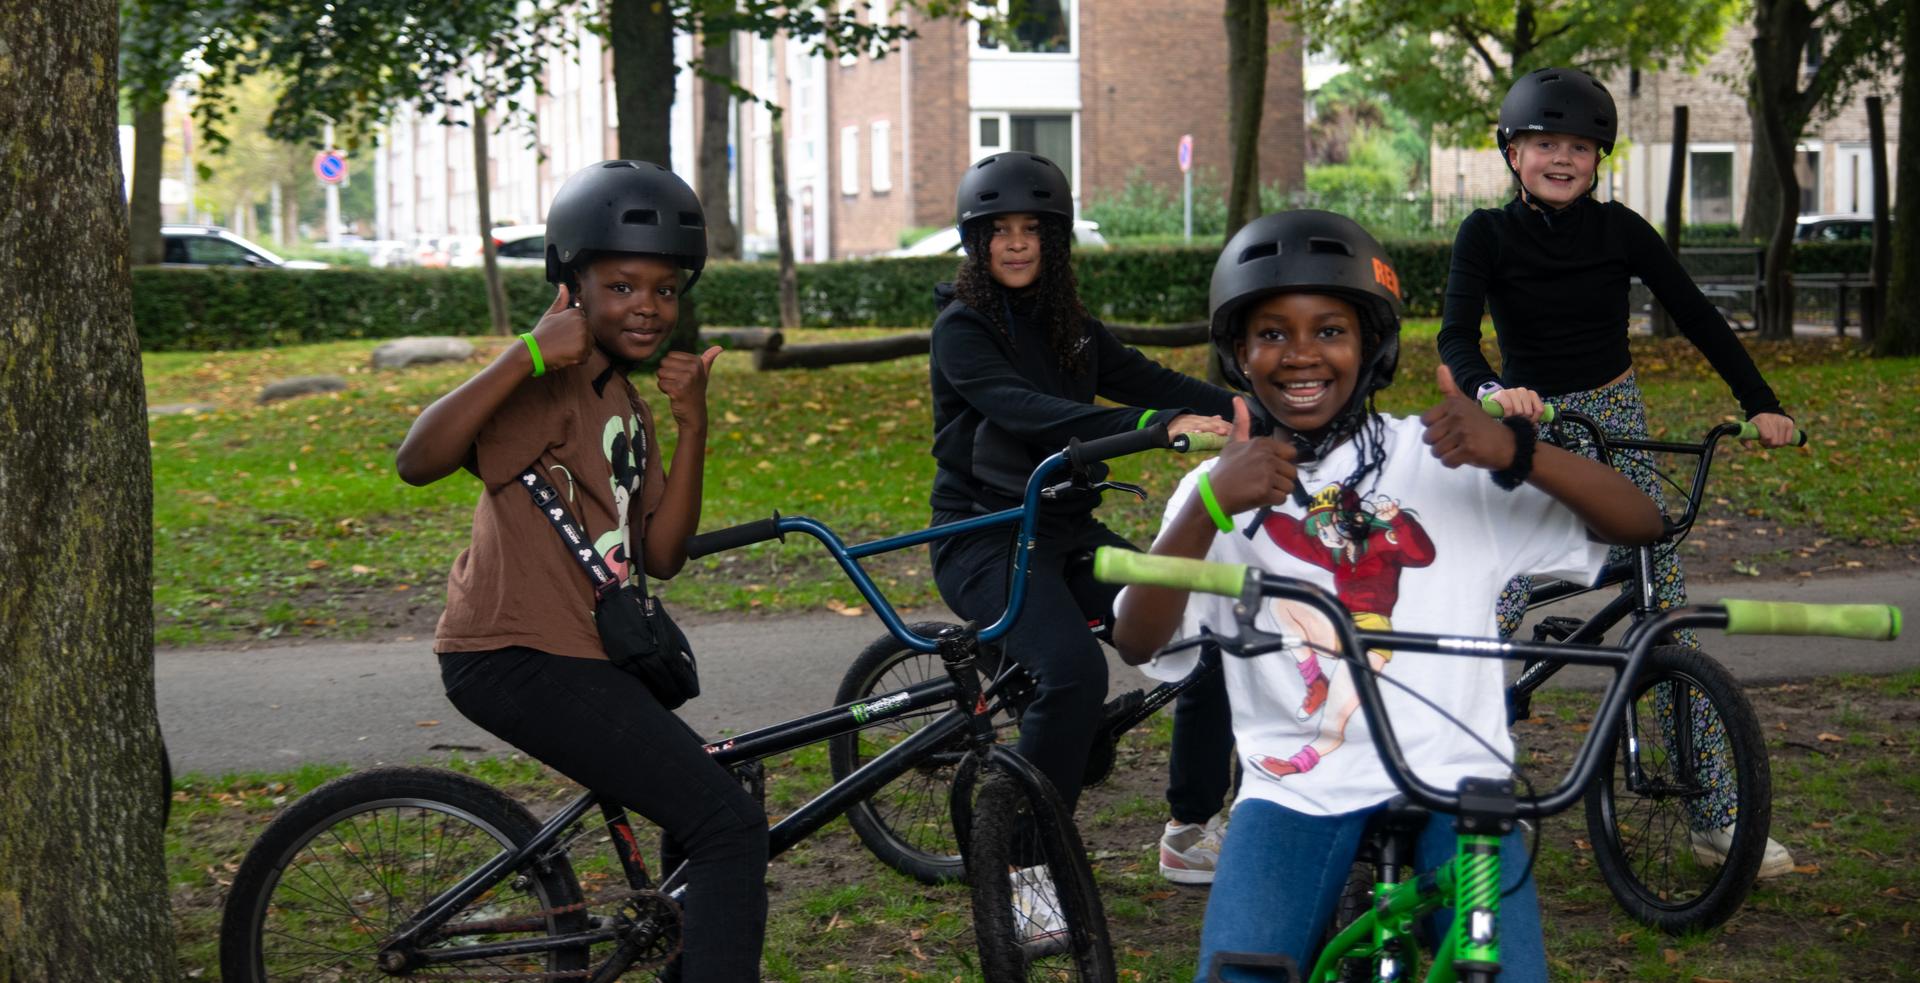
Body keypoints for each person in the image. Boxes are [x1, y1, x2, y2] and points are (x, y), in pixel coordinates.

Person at [1110, 209, 1664, 982]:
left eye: (1330, 329)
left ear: (1372, 344)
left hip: (1461, 785)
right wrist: (1207, 508)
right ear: (1238, 353)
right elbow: (1137, 639)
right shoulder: (1223, 485)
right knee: (1239, 969)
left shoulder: (1444, 458)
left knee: (1501, 966)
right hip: (1294, 789)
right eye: (1271, 333)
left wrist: (1517, 451)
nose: (1301, 354)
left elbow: (1643, 520)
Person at [394, 161, 766, 981]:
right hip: (514, 653)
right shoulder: (549, 381)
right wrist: (526, 350)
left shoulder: (624, 403)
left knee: (715, 792)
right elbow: (418, 459)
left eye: (665, 290)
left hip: (582, 655)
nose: (647, 306)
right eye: (623, 285)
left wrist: (692, 423)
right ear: (573, 286)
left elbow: (662, 554)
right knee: (729, 826)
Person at [1436, 66, 1799, 876]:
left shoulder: (1622, 230)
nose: (1561, 159)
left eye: (1578, 147)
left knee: (1664, 610)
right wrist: (1496, 392)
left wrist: (1759, 402)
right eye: (1543, 144)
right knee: (1495, 598)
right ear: (1512, 152)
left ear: (1598, 158)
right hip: (1529, 421)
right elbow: (1455, 338)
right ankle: (1470, 786)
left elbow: (1699, 316)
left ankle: (1714, 816)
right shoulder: (1484, 235)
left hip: (1618, 417)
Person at [926, 151, 1241, 899]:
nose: (1016, 243)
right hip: (986, 540)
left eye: (1032, 229)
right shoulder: (961, 330)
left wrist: (1251, 411)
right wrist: (1151, 426)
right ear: (976, 241)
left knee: (1208, 618)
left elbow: (1155, 380)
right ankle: (1026, 874)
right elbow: (1026, 410)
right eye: (998, 229)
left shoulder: (1070, 328)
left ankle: (1190, 828)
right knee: (1071, 675)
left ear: (1055, 239)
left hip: (1069, 540)